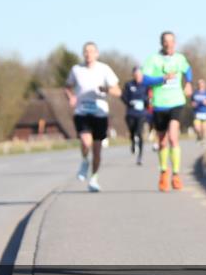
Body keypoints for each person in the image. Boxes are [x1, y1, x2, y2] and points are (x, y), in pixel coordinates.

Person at [64, 41, 122, 192]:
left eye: (91, 51)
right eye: (86, 51)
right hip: (82, 111)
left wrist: (107, 89)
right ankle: (84, 161)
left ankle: (94, 178)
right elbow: (68, 87)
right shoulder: (76, 69)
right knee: (85, 141)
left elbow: (118, 91)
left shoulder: (104, 69)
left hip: (100, 113)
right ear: (83, 54)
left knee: (97, 151)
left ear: (97, 53)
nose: (88, 54)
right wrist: (71, 97)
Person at [142, 32, 193, 191]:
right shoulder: (153, 59)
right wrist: (161, 79)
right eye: (166, 42)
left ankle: (176, 175)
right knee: (162, 141)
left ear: (175, 43)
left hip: (176, 102)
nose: (169, 44)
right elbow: (145, 79)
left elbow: (187, 69)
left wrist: (189, 83)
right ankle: (164, 172)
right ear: (162, 43)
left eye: (171, 41)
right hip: (159, 104)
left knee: (173, 137)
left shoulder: (179, 58)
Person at [121, 67, 151, 165]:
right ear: (133, 75)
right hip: (130, 113)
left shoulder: (146, 86)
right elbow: (123, 97)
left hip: (142, 114)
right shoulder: (129, 84)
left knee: (139, 133)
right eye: (136, 75)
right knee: (133, 133)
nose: (138, 77)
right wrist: (130, 102)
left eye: (140, 75)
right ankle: (133, 142)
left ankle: (140, 157)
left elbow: (149, 98)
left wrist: (146, 102)